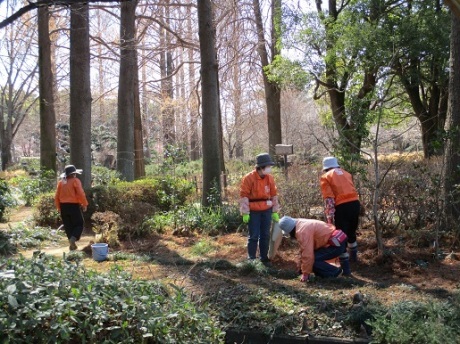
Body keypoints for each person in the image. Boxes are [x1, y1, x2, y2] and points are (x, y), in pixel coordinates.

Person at [278, 216, 350, 282]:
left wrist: (305, 274)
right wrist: (300, 268)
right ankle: (345, 273)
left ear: (290, 230)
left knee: (313, 260)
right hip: (337, 241)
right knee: (312, 260)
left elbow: (308, 255)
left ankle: (335, 273)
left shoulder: (302, 232)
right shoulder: (301, 223)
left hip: (335, 245)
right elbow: (303, 250)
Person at [240, 153, 280, 262]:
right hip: (253, 211)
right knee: (253, 236)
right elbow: (244, 196)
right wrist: (245, 212)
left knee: (265, 235)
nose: (269, 169)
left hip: (266, 210)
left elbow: (274, 195)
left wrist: (275, 211)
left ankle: (264, 258)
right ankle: (251, 258)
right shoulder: (249, 178)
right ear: (261, 167)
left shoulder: (270, 178)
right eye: (268, 166)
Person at [320, 156, 360, 262]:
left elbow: (329, 199)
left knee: (340, 236)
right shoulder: (347, 173)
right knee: (351, 232)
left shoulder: (326, 177)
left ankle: (345, 265)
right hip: (355, 204)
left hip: (342, 207)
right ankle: (354, 259)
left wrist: (330, 217)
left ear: (326, 168)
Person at [54, 164, 89, 251]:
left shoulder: (61, 183)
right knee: (79, 223)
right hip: (73, 206)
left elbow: (57, 196)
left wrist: (58, 207)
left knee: (68, 225)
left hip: (63, 207)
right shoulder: (75, 181)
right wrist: (84, 204)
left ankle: (71, 244)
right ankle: (73, 238)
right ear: (73, 174)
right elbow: (80, 193)